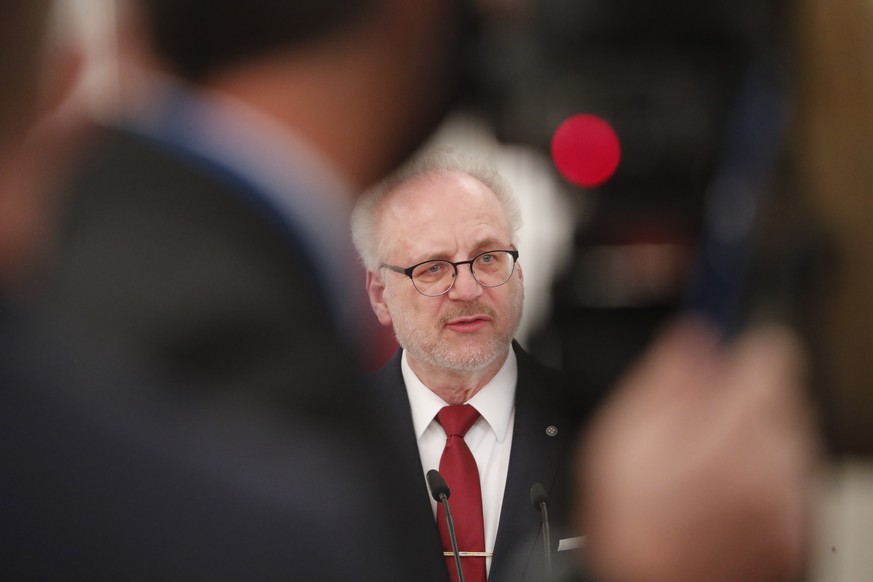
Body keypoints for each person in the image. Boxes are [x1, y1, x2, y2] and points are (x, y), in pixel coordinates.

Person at [351, 149, 589, 582]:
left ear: (518, 272)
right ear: (380, 295)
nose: (467, 288)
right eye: (433, 268)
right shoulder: (325, 439)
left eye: (487, 258)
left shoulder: (597, 426)